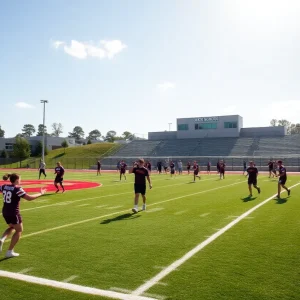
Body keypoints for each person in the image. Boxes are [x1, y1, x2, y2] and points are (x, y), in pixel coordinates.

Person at [0, 173, 46, 257]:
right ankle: (9, 251)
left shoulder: (4, 186)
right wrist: (41, 193)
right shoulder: (17, 189)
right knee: (19, 230)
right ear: (17, 180)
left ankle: (2, 239)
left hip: (5, 211)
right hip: (14, 212)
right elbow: (29, 198)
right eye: (20, 179)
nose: (20, 180)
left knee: (12, 227)